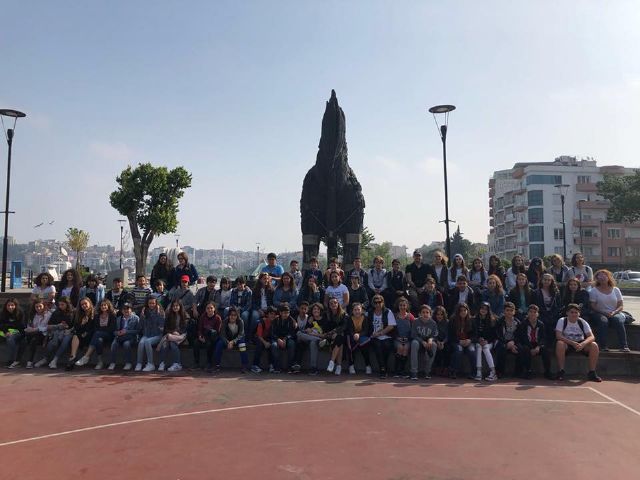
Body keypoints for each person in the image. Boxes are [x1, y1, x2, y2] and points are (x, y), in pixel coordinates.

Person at [555, 304, 602, 382]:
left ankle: (592, 372)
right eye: (572, 312)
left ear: (579, 314)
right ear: (567, 313)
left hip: (580, 344)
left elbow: (592, 337)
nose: (574, 314)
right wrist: (572, 343)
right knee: (559, 343)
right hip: (567, 343)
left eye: (576, 312)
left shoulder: (582, 322)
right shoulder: (562, 320)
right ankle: (561, 371)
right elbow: (558, 336)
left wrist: (583, 344)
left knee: (594, 345)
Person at [589, 269, 630, 352]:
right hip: (599, 313)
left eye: (604, 276)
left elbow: (621, 305)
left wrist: (614, 312)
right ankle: (603, 346)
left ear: (609, 277)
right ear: (597, 279)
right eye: (599, 276)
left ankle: (624, 346)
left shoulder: (616, 290)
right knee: (603, 321)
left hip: (614, 312)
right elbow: (593, 306)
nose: (602, 278)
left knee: (618, 321)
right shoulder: (593, 291)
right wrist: (604, 313)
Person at [75, 300, 117, 370]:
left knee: (97, 333)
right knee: (98, 341)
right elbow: (95, 327)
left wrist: (101, 330)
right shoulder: (97, 315)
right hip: (99, 336)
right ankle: (100, 362)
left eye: (105, 305)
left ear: (108, 306)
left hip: (109, 335)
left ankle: (86, 356)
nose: (103, 306)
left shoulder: (112, 315)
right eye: (101, 305)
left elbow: (112, 328)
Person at [515, 305, 553, 380]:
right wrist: (531, 348)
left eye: (535, 312)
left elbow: (543, 338)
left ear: (537, 314)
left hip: (537, 344)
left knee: (545, 351)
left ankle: (547, 371)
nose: (532, 314)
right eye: (531, 312)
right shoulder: (523, 324)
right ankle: (528, 371)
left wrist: (538, 347)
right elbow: (523, 338)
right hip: (527, 344)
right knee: (525, 349)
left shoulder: (541, 324)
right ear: (528, 313)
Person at [35, 296, 74, 368]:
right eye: (59, 305)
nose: (60, 306)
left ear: (67, 304)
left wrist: (69, 330)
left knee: (66, 340)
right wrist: (58, 326)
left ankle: (55, 359)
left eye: (62, 304)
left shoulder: (73, 313)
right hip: (57, 332)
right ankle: (45, 359)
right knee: (52, 342)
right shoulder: (56, 313)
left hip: (69, 332)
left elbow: (75, 325)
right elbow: (49, 326)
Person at [63, 298, 96, 371]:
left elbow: (94, 328)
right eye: (82, 304)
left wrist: (86, 332)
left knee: (78, 336)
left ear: (90, 303)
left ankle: (73, 359)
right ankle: (72, 357)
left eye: (85, 303)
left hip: (91, 335)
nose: (84, 305)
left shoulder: (95, 313)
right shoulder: (79, 314)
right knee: (75, 335)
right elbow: (77, 328)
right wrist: (82, 324)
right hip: (81, 335)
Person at [369, 294, 396, 378]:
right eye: (375, 302)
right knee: (378, 346)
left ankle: (383, 367)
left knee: (387, 345)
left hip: (386, 336)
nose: (377, 304)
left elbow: (391, 326)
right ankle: (383, 369)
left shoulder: (388, 312)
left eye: (379, 302)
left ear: (383, 302)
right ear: (373, 303)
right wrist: (373, 334)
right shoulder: (370, 312)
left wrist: (380, 333)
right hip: (374, 337)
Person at [135, 296, 166, 372]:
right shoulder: (145, 311)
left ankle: (150, 364)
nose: (151, 305)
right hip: (147, 334)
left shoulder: (161, 312)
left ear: (156, 303)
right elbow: (140, 327)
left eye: (153, 303)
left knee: (147, 342)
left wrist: (158, 314)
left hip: (157, 335)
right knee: (141, 343)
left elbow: (161, 326)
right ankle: (139, 363)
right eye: (150, 303)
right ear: (147, 304)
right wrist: (142, 316)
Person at [214, 307, 249, 373]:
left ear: (237, 316)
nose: (233, 317)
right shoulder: (225, 321)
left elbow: (241, 334)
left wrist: (233, 342)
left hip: (237, 340)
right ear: (228, 315)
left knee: (242, 345)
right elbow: (222, 334)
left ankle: (244, 365)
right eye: (231, 315)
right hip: (227, 340)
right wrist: (228, 342)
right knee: (219, 344)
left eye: (235, 315)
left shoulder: (240, 321)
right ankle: (217, 365)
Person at [157, 300, 188, 373]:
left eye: (177, 306)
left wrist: (178, 332)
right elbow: (166, 328)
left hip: (181, 335)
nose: (175, 307)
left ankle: (177, 364)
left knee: (172, 343)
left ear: (180, 306)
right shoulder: (169, 315)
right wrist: (172, 332)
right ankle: (162, 363)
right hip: (171, 334)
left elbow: (185, 328)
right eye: (174, 306)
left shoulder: (185, 315)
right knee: (165, 344)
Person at [107, 302, 139, 371]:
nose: (126, 310)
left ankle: (128, 363)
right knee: (114, 344)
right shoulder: (118, 319)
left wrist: (126, 332)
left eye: (128, 309)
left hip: (131, 337)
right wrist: (117, 333)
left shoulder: (136, 318)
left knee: (126, 344)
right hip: (120, 337)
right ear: (121, 310)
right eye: (124, 309)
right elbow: (114, 331)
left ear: (131, 310)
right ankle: (112, 362)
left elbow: (138, 331)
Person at [410, 304, 438, 380]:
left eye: (427, 312)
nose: (425, 314)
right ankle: (414, 372)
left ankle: (427, 371)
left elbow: (435, 335)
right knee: (414, 343)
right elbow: (413, 335)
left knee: (434, 345)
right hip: (419, 342)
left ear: (430, 314)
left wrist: (431, 339)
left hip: (428, 343)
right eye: (423, 312)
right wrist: (422, 342)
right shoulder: (415, 322)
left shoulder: (433, 323)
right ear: (420, 314)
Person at [448, 303, 476, 380]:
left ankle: (474, 372)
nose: (463, 312)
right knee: (459, 350)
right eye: (461, 311)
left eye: (464, 310)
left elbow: (475, 335)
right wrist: (459, 341)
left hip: (468, 341)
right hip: (457, 341)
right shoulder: (452, 320)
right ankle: (453, 371)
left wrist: (470, 340)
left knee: (472, 350)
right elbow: (450, 335)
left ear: (467, 311)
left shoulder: (472, 320)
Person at [533, 273, 562, 347]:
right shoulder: (536, 292)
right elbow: (536, 305)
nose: (547, 281)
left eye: (549, 280)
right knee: (543, 323)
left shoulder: (556, 292)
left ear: (552, 281)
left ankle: (552, 345)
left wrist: (552, 314)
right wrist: (545, 314)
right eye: (545, 279)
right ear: (541, 280)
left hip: (553, 314)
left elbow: (558, 306)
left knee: (554, 323)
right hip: (541, 314)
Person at [292, 301, 321, 373]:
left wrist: (309, 327)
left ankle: (313, 368)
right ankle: (297, 366)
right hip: (299, 339)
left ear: (307, 310)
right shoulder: (295, 318)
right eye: (302, 308)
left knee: (311, 341)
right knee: (299, 337)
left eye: (305, 309)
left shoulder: (309, 318)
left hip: (308, 338)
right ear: (299, 309)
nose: (303, 310)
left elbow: (311, 330)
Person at [22, 298, 52, 369]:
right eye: (36, 307)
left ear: (43, 306)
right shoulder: (32, 314)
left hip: (44, 335)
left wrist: (36, 329)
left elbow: (47, 327)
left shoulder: (48, 314)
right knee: (23, 339)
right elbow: (29, 324)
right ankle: (16, 360)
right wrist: (29, 329)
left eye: (40, 306)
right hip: (32, 333)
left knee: (34, 340)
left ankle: (30, 361)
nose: (38, 308)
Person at [473, 302, 498, 381]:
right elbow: (473, 333)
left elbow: (494, 335)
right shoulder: (474, 319)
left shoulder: (493, 320)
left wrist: (487, 341)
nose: (483, 310)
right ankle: (479, 372)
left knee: (485, 348)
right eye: (482, 308)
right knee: (479, 347)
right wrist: (478, 339)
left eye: (485, 309)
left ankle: (493, 372)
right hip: (478, 342)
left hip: (489, 342)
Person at [193, 301, 222, 372]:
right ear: (205, 309)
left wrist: (209, 336)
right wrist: (200, 336)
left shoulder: (217, 318)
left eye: (211, 308)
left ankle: (209, 362)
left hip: (212, 338)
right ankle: (196, 363)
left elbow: (218, 331)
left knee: (209, 343)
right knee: (196, 342)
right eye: (208, 308)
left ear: (214, 309)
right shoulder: (203, 317)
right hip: (203, 337)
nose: (209, 310)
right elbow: (200, 329)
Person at [345, 302, 372, 375]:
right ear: (352, 311)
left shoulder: (365, 318)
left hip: (363, 336)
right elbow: (349, 329)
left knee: (365, 347)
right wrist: (354, 334)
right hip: (352, 336)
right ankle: (351, 365)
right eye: (355, 310)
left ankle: (368, 365)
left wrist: (359, 335)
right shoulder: (350, 319)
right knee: (350, 346)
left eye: (358, 309)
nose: (357, 311)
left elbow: (366, 330)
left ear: (362, 310)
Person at [322, 297, 347, 375]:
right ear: (329, 305)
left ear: (338, 304)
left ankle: (332, 362)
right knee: (340, 341)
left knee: (339, 338)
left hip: (340, 335)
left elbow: (344, 326)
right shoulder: (326, 314)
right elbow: (325, 327)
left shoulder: (343, 314)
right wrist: (332, 333)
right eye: (331, 303)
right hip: (329, 336)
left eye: (335, 303)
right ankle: (338, 366)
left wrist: (335, 332)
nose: (333, 304)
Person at [494, 302, 520, 378]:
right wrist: (506, 343)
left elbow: (519, 336)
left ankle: (518, 372)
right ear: (504, 311)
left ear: (514, 312)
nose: (509, 312)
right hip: (501, 341)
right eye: (507, 310)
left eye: (511, 310)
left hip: (513, 342)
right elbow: (498, 335)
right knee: (501, 348)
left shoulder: (518, 322)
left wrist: (513, 342)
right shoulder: (499, 321)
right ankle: (499, 371)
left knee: (522, 349)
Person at [270, 303, 297, 373]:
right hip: (277, 339)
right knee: (274, 345)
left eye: (288, 313)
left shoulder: (291, 320)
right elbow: (272, 333)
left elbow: (292, 333)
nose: (286, 315)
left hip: (287, 339)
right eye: (284, 313)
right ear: (280, 313)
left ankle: (290, 367)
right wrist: (278, 339)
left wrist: (285, 338)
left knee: (292, 343)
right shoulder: (275, 320)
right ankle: (277, 367)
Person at [0, 298, 26, 368]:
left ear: (15, 305)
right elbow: (1, 325)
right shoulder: (3, 313)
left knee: (10, 339)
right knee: (8, 336)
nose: (10, 307)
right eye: (8, 305)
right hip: (6, 332)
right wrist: (6, 331)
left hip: (18, 332)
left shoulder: (20, 313)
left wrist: (8, 326)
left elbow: (20, 325)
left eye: (12, 305)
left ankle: (12, 360)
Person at [251, 306, 276, 374]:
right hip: (257, 337)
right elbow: (259, 335)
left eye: (274, 314)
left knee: (271, 344)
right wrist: (265, 343)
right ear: (267, 314)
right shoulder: (261, 322)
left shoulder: (275, 320)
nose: (273, 315)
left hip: (267, 337)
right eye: (271, 314)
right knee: (260, 344)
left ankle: (271, 365)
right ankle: (255, 365)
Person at [393, 298, 414, 378]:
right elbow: (391, 330)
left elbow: (413, 330)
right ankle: (396, 371)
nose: (402, 307)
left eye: (404, 305)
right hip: (397, 339)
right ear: (398, 306)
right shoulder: (395, 316)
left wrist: (408, 338)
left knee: (405, 349)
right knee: (400, 347)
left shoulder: (410, 316)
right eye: (401, 305)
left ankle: (402, 370)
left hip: (407, 339)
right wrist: (397, 337)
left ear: (407, 306)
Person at [249, 272, 274, 339]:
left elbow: (272, 302)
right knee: (254, 315)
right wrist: (259, 310)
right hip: (258, 309)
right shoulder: (255, 290)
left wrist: (268, 310)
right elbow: (253, 303)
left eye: (267, 278)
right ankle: (251, 335)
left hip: (268, 309)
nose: (266, 280)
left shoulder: (271, 290)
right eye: (264, 279)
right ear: (260, 280)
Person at [431, 305, 450, 376]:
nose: (439, 316)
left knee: (447, 349)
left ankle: (446, 368)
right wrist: (437, 341)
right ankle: (437, 367)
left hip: (445, 341)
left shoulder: (447, 322)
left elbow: (448, 335)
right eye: (438, 314)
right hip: (436, 340)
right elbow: (432, 334)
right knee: (436, 348)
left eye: (441, 314)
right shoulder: (433, 322)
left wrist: (443, 342)